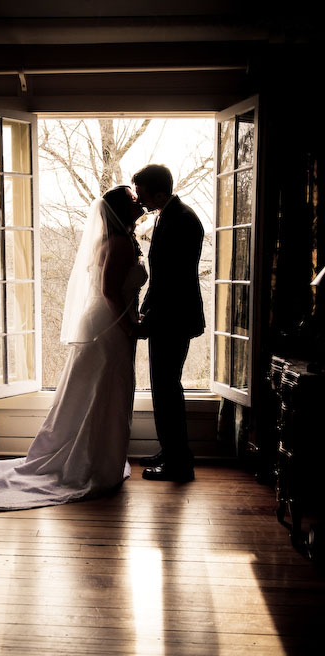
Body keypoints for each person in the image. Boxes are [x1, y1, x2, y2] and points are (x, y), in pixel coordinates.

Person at [0, 186, 146, 510]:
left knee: (94, 395)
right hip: (109, 330)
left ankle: (97, 458)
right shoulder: (121, 244)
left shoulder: (114, 240)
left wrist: (131, 316)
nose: (138, 202)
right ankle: (93, 464)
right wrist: (130, 327)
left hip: (104, 324)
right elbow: (110, 292)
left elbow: (117, 293)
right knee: (105, 393)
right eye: (132, 200)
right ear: (120, 211)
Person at [132, 164, 205, 482]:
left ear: (159, 192)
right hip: (168, 315)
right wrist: (146, 310)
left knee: (167, 388)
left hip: (173, 319)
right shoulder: (168, 215)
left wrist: (149, 315)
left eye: (143, 193)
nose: (139, 200)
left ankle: (179, 464)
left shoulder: (181, 220)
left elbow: (172, 280)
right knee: (164, 388)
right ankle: (173, 450)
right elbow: (160, 278)